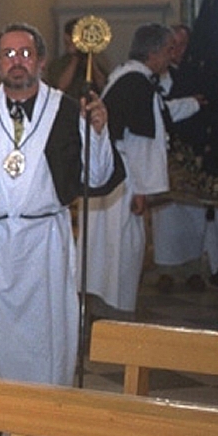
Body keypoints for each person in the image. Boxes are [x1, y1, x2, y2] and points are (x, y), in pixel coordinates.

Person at [0, 24, 116, 436]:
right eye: (7, 54)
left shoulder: (67, 110)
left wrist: (97, 130)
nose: (17, 61)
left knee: (44, 332)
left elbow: (96, 177)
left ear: (42, 61)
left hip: (44, 238)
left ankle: (41, 414)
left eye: (25, 53)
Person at [84, 23, 186, 317]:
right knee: (121, 246)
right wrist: (143, 190)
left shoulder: (125, 77)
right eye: (168, 50)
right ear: (153, 52)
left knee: (108, 245)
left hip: (113, 171)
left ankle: (105, 305)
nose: (172, 56)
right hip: (124, 176)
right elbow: (140, 140)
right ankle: (114, 311)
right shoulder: (137, 84)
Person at [151, 24, 218, 279]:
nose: (177, 51)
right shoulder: (151, 76)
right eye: (172, 46)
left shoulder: (198, 75)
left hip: (193, 154)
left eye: (182, 45)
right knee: (166, 217)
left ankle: (194, 269)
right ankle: (166, 272)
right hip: (165, 155)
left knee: (194, 215)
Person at [46, 18, 112, 102]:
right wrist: (75, 57)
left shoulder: (99, 60)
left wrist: (90, 59)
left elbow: (103, 86)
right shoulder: (59, 64)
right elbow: (60, 87)